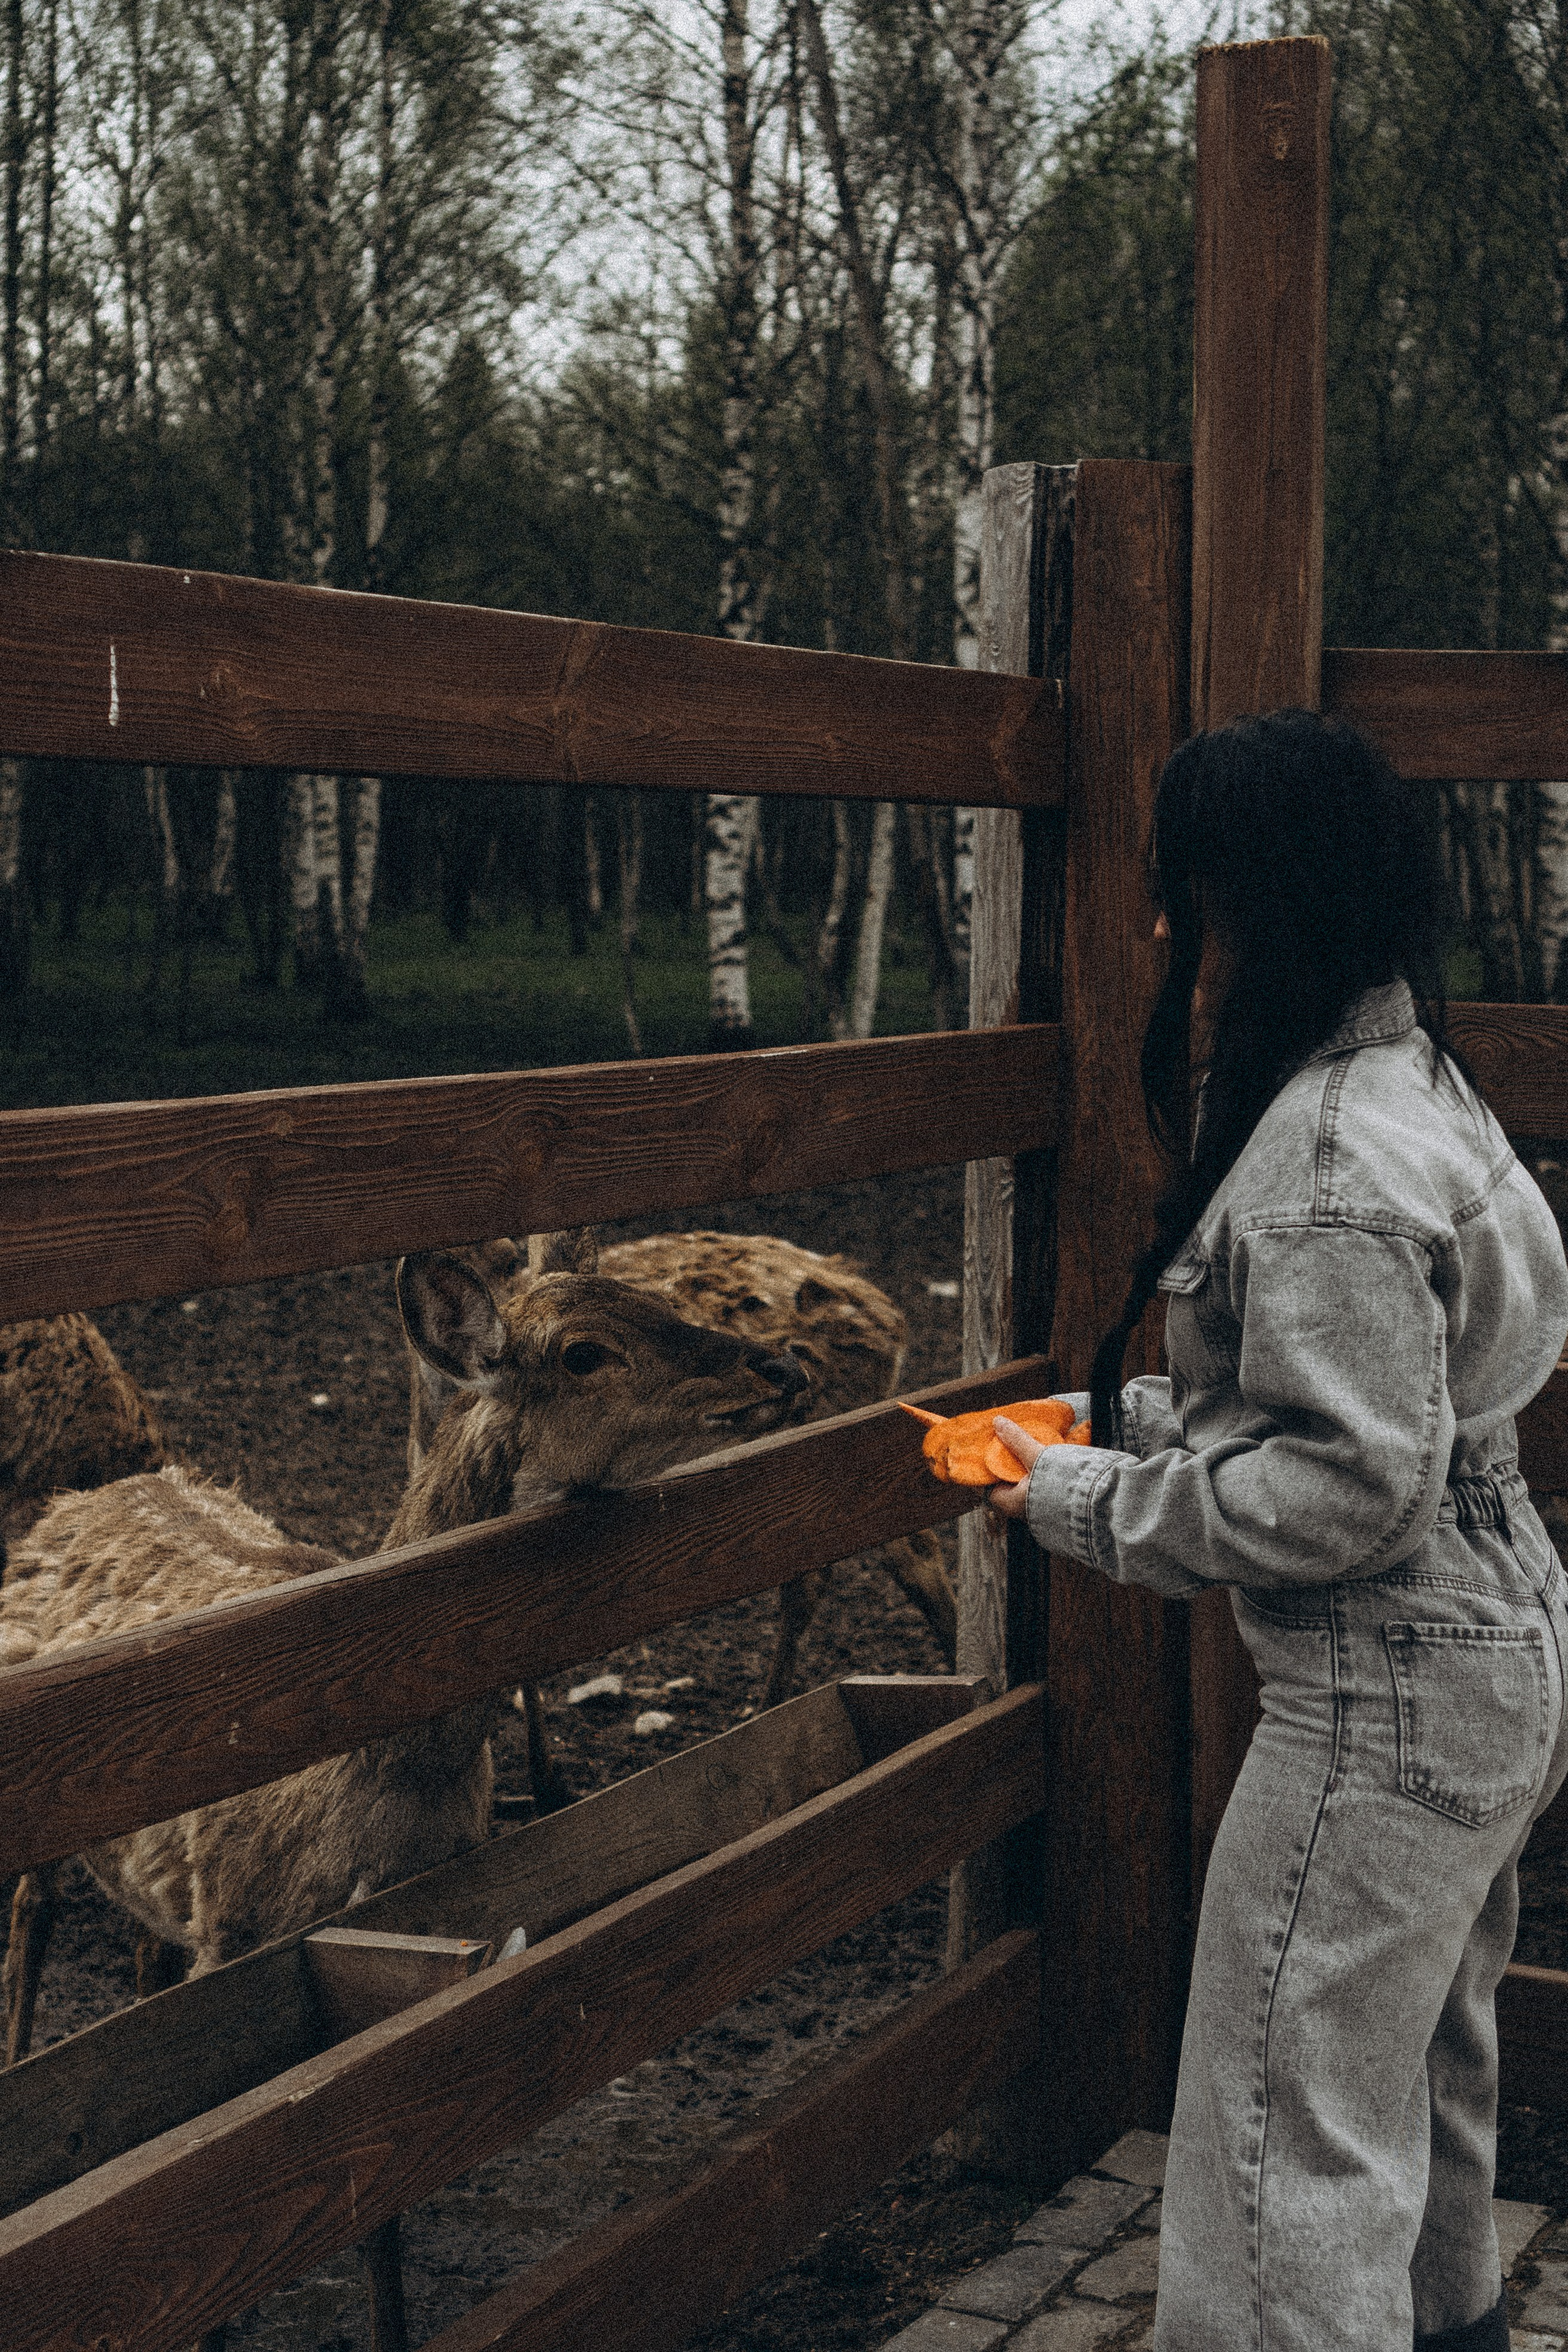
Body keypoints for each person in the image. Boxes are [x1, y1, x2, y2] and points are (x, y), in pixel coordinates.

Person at [989, 707, 1568, 2352]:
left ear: (1260, 899)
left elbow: (1344, 1492)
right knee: (1418, 2050)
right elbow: (1412, 1402)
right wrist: (1144, 1427)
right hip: (1501, 1640)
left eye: (1181, 890)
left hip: (1385, 1687)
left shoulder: (1321, 1157)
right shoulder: (1421, 1086)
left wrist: (1074, 1491)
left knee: (1278, 2116)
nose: (1163, 927)